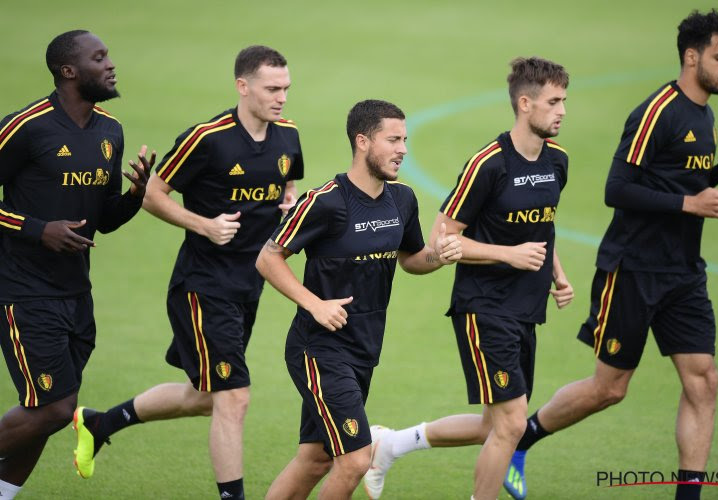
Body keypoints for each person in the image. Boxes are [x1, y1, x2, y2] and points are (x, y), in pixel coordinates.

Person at [500, 10, 718, 500]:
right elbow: (618, 189)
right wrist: (691, 201)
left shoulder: (704, 114)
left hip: (683, 273)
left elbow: (680, 182)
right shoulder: (657, 111)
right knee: (610, 388)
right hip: (632, 269)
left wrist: (715, 174)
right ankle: (522, 439)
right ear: (691, 57)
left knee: (705, 381)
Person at [73, 45, 303, 500]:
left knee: (205, 396)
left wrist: (290, 202)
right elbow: (153, 194)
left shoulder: (288, 135)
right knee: (234, 397)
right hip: (203, 285)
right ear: (243, 86)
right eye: (272, 88)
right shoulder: (207, 138)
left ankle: (100, 423)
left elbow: (289, 183)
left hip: (249, 285)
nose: (281, 98)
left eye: (286, 89)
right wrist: (204, 225)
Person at [364, 57, 573, 500]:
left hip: (526, 306)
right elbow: (442, 240)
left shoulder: (558, 161)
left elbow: (544, 226)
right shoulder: (489, 164)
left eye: (564, 101)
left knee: (493, 426)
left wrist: (557, 273)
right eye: (553, 102)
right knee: (513, 423)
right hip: (485, 306)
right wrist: (509, 254)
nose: (562, 111)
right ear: (524, 103)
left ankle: (388, 445)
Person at [255, 99, 462, 499]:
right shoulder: (325, 201)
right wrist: (314, 303)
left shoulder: (402, 200)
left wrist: (440, 255)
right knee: (354, 459)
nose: (403, 148)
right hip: (319, 349)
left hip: (364, 348)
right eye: (393, 139)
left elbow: (412, 260)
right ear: (362, 141)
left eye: (405, 139)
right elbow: (268, 257)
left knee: (315, 458)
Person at [0, 30, 150, 499]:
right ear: (68, 71)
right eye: (99, 57)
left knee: (44, 411)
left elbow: (102, 220)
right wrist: (36, 228)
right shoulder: (26, 126)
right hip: (22, 290)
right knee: (55, 408)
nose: (110, 64)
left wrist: (134, 198)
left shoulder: (110, 131)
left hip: (75, 295)